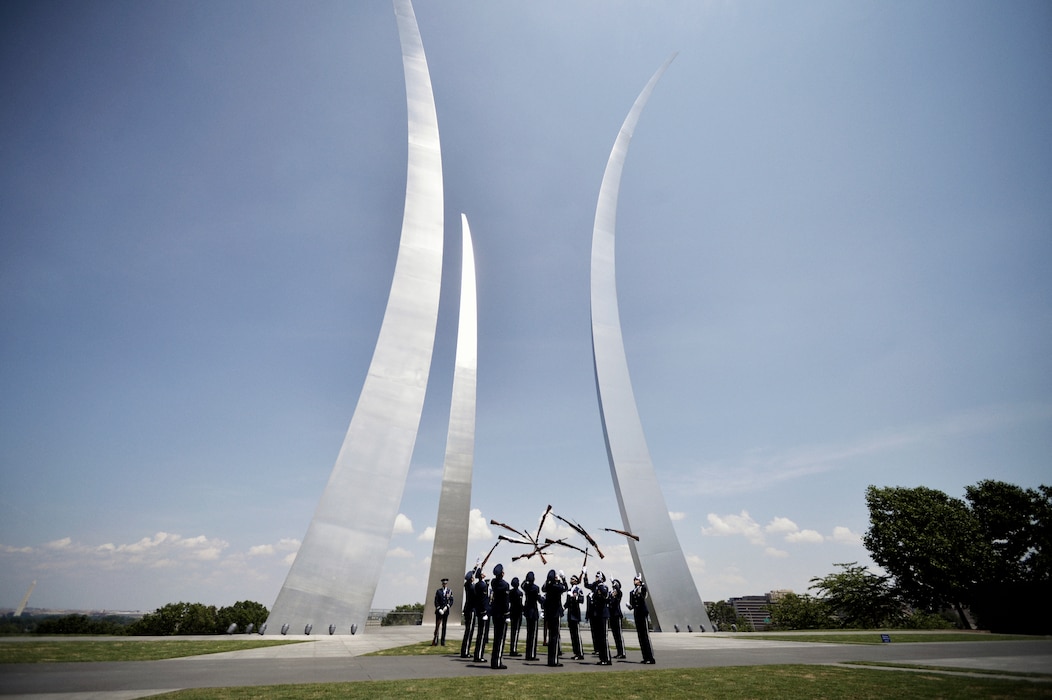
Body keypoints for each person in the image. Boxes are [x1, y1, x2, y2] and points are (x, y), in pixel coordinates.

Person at [584, 569, 611, 665]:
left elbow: (605, 595)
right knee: (599, 638)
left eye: (597, 576)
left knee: (603, 638)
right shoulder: (596, 587)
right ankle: (602, 658)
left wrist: (600, 585)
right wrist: (585, 574)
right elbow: (587, 585)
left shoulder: (603, 587)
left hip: (603, 614)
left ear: (601, 578)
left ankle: (607, 659)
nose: (595, 577)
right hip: (598, 615)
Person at [541, 569, 567, 667]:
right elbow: (565, 587)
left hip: (549, 614)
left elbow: (543, 587)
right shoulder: (556, 586)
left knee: (551, 637)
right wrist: (562, 578)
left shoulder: (547, 586)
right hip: (555, 614)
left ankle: (550, 660)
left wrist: (550, 579)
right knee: (555, 637)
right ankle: (554, 660)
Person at [627, 572, 655, 664]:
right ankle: (645, 657)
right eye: (634, 580)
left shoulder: (642, 588)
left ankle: (650, 658)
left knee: (645, 635)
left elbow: (644, 592)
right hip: (637, 613)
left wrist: (642, 582)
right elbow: (633, 603)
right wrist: (630, 606)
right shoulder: (632, 592)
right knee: (640, 636)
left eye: (637, 580)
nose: (635, 581)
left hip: (642, 613)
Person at [489, 563, 510, 669]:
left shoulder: (493, 582)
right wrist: (507, 614)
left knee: (496, 637)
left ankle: (494, 660)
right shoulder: (505, 585)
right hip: (502, 614)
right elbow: (506, 602)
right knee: (500, 638)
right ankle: (497, 662)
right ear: (502, 573)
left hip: (495, 612)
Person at [522, 571, 541, 661]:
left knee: (529, 634)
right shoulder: (535, 588)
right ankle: (532, 655)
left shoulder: (526, 587)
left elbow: (522, 585)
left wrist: (526, 580)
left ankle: (528, 654)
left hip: (527, 611)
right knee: (533, 635)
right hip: (533, 611)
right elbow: (538, 599)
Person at [564, 574, 585, 660]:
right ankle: (575, 652)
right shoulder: (569, 590)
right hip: (570, 614)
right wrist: (563, 608)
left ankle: (580, 653)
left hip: (575, 614)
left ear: (576, 581)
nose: (571, 580)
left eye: (572, 579)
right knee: (572, 635)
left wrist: (574, 597)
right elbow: (567, 603)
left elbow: (581, 600)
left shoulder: (579, 590)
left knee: (576, 634)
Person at [473, 568, 491, 663]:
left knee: (480, 634)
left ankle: (478, 655)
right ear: (481, 575)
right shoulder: (482, 585)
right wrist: (484, 612)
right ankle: (479, 656)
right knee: (482, 635)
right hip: (483, 612)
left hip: (480, 611)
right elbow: (483, 600)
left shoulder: (478, 585)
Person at [459, 570, 476, 658]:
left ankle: (464, 650)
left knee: (467, 631)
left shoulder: (467, 585)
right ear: (471, 579)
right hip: (471, 610)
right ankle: (465, 651)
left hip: (467, 609)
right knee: (469, 631)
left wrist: (476, 567)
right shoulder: (472, 587)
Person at [432, 577, 454, 646]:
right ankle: (436, 640)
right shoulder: (438, 591)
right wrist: (439, 608)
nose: (444, 584)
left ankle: (443, 641)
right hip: (439, 611)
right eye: (443, 583)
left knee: (444, 626)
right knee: (437, 626)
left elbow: (451, 600)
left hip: (446, 611)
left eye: (445, 583)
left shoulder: (449, 591)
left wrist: (447, 606)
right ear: (442, 584)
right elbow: (436, 601)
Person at [608, 578, 627, 659]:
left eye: (615, 585)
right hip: (611, 615)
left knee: (618, 634)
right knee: (615, 635)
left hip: (617, 615)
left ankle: (622, 652)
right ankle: (618, 652)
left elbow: (618, 591)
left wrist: (613, 582)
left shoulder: (619, 593)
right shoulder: (611, 594)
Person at [507, 576, 524, 656]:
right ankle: (513, 649)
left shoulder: (510, 592)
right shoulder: (519, 593)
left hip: (512, 612)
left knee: (513, 631)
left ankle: (512, 648)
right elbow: (520, 604)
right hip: (517, 613)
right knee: (516, 631)